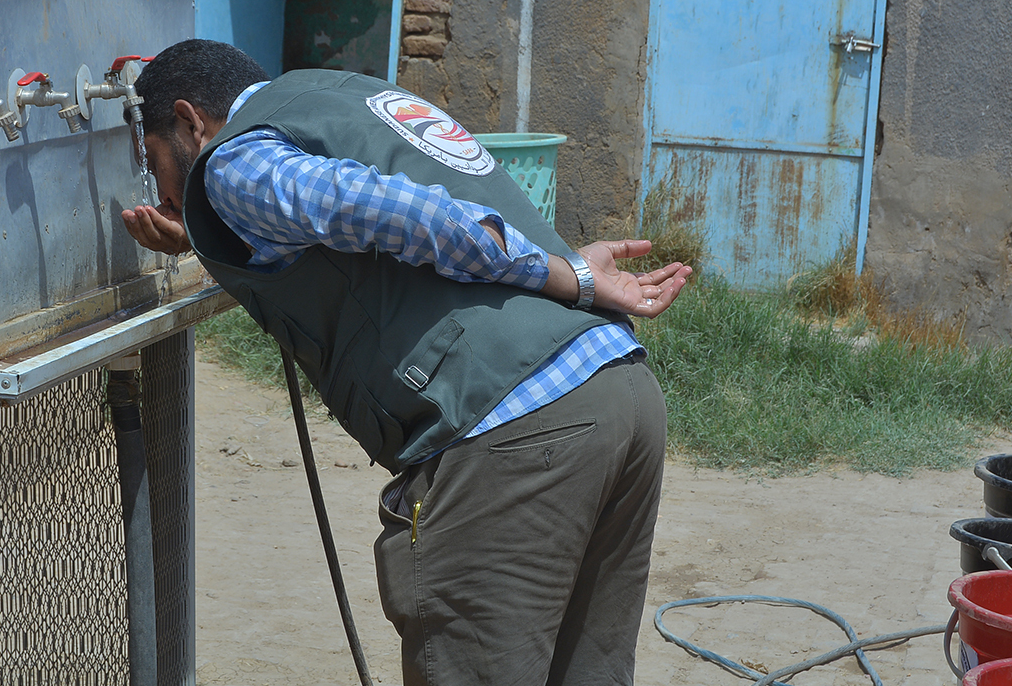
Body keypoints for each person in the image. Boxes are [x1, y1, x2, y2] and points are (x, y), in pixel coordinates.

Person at [120, 38, 690, 685]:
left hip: (513, 422)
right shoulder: (344, 96)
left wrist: (568, 277)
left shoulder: (232, 165)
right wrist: (202, 234)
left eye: (153, 161)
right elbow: (352, 241)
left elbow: (409, 214)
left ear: (191, 122)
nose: (161, 191)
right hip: (615, 390)